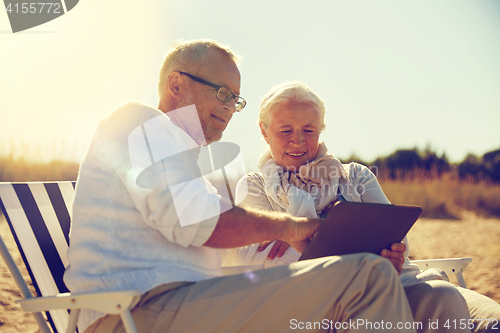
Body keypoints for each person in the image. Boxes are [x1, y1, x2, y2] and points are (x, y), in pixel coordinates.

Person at [63, 40, 419, 333]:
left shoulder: (183, 159)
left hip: (189, 305)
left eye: (235, 99)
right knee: (368, 277)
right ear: (176, 85)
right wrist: (295, 227)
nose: (230, 108)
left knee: (367, 281)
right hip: (137, 312)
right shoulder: (137, 120)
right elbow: (203, 223)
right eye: (222, 93)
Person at [225, 81, 500, 333]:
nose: (297, 140)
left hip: (392, 281)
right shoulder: (255, 186)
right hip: (313, 300)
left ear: (320, 129)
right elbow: (256, 256)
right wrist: (355, 257)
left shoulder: (356, 175)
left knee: (446, 296)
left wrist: (391, 253)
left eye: (308, 130)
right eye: (285, 130)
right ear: (264, 132)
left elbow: (395, 236)